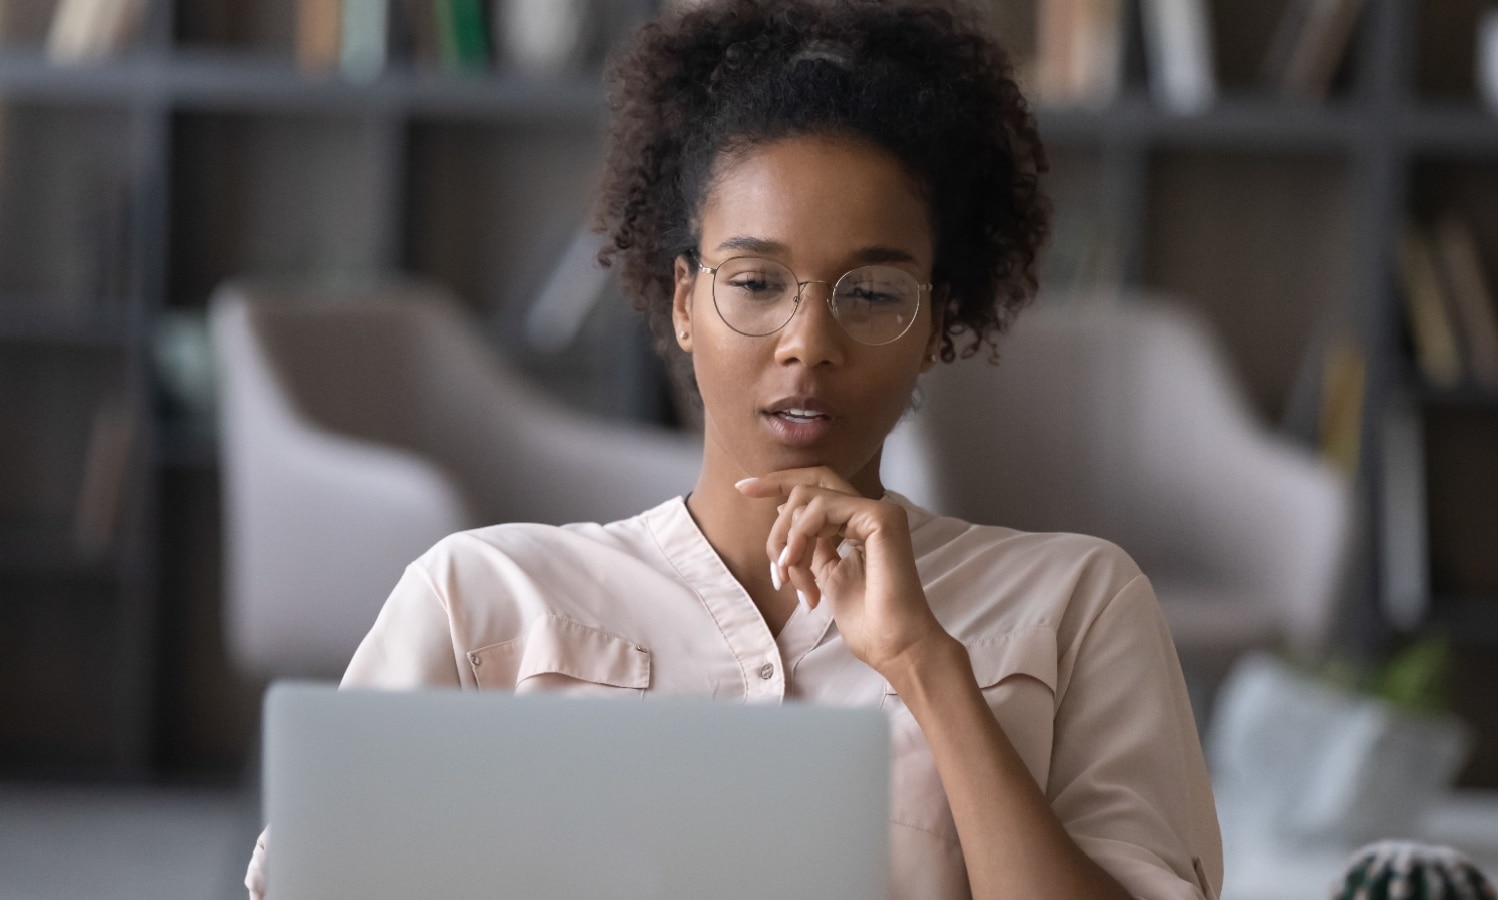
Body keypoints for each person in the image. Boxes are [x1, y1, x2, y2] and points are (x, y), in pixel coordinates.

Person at [247, 1, 1223, 897]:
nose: (808, 342)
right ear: (683, 304)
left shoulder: (1076, 604)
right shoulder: (482, 599)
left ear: (937, 323)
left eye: (872, 294)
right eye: (756, 283)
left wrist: (925, 664)